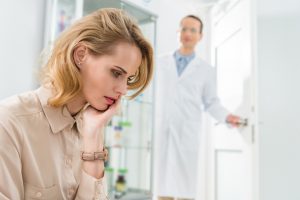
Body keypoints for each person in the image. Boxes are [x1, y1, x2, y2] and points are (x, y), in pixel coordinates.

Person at [0, 8, 153, 199]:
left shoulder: (91, 127)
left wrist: (93, 139)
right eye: (116, 73)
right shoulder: (9, 122)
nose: (123, 89)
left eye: (128, 79)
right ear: (81, 55)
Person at [154, 15, 240, 200]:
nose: (187, 33)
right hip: (162, 131)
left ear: (200, 36)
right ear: (178, 31)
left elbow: (211, 103)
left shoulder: (206, 70)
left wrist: (227, 117)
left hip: (187, 134)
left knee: (185, 188)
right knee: (161, 188)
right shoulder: (159, 63)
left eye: (193, 30)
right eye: (184, 28)